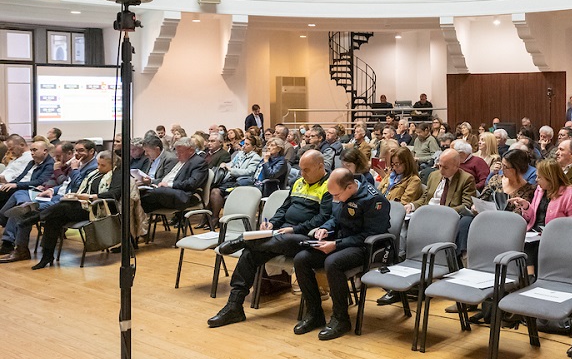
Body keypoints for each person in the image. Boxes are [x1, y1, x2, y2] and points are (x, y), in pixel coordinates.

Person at [207, 150, 333, 326]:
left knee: (276, 240)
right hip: (280, 235)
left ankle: (245, 240)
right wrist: (272, 224)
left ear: (321, 166)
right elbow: (283, 209)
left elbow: (323, 218)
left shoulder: (329, 186)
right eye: (301, 170)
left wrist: (294, 228)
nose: (302, 174)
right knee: (250, 254)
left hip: (305, 237)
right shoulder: (298, 183)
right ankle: (234, 306)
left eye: (306, 170)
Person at [292, 169, 391, 340]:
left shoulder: (374, 200)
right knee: (302, 259)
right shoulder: (339, 192)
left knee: (333, 262)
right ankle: (314, 313)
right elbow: (335, 218)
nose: (335, 199)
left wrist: (336, 244)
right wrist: (325, 228)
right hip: (342, 241)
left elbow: (369, 235)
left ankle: (341, 319)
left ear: (350, 187)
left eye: (337, 195)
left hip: (366, 247)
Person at [32, 150, 121, 270]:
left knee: (61, 208)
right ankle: (47, 256)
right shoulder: (94, 174)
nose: (99, 167)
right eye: (98, 164)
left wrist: (90, 197)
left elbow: (114, 194)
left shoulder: (118, 175)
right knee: (53, 219)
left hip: (98, 208)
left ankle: (35, 218)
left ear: (113, 165)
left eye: (103, 165)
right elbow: (81, 188)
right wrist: (75, 196)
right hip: (82, 205)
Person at [512, 158, 572, 234]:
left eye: (539, 177)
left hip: (556, 236)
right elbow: (531, 218)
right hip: (534, 233)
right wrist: (526, 206)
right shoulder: (540, 189)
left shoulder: (570, 194)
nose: (536, 180)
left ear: (550, 178)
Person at [140, 137, 209, 214]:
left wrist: (169, 185)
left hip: (186, 195)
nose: (177, 155)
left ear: (191, 150)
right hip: (169, 193)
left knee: (149, 195)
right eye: (176, 152)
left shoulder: (199, 162)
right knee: (140, 196)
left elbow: (192, 183)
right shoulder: (181, 160)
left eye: (180, 152)